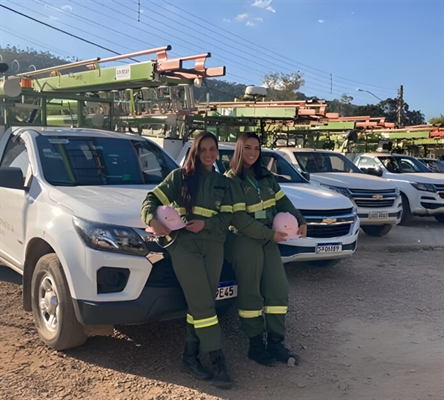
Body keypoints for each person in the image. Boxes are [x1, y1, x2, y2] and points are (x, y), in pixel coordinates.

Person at [141, 131, 234, 389]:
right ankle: (218, 362)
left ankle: (189, 356)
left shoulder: (222, 183)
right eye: (203, 149)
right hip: (184, 246)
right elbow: (150, 200)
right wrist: (152, 220)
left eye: (212, 149)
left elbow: (227, 219)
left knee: (200, 304)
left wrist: (206, 223)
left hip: (213, 246)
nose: (208, 154)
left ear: (217, 152)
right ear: (195, 151)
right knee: (204, 304)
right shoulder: (179, 177)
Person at [224, 132, 307, 367]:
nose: (252, 153)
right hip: (243, 240)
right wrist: (270, 234)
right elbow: (239, 219)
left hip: (267, 238)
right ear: (239, 150)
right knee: (251, 292)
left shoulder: (266, 177)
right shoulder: (231, 179)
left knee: (277, 288)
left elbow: (283, 202)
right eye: (247, 148)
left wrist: (300, 218)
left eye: (256, 148)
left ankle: (276, 342)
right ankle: (255, 345)